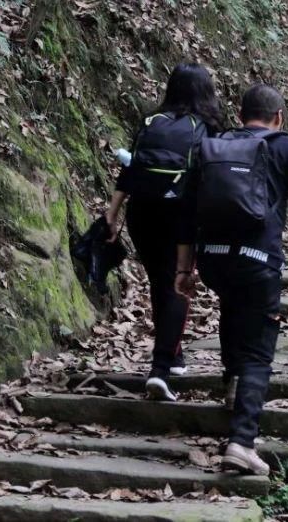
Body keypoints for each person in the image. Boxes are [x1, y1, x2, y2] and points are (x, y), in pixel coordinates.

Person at [192, 84, 288, 476]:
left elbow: (191, 204)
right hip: (258, 259)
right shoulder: (284, 145)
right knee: (259, 347)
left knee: (232, 309)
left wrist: (182, 268)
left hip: (212, 259)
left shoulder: (214, 143)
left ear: (240, 116)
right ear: (278, 117)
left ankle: (232, 381)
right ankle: (241, 441)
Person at [105, 63, 223, 401]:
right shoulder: (208, 127)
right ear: (205, 91)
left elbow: (130, 169)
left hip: (142, 212)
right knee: (177, 283)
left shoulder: (150, 121)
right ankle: (159, 371)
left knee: (161, 281)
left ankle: (173, 355)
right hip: (181, 214)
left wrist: (112, 214)